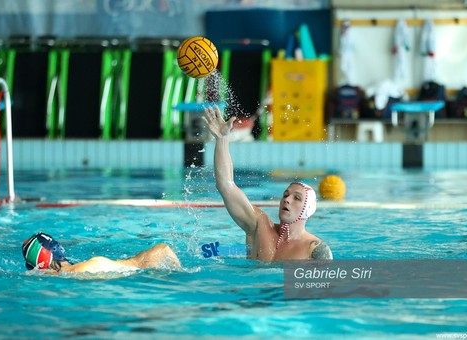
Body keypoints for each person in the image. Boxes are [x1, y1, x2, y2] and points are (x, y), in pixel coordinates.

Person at [202, 105, 333, 261]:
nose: (287, 199)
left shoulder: (315, 250)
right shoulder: (259, 225)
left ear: (307, 210)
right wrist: (222, 140)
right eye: (286, 194)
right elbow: (226, 185)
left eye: (297, 198)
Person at [22, 232, 181, 274]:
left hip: (134, 267)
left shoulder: (52, 274)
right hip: (136, 266)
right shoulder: (84, 267)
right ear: (57, 249)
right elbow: (163, 249)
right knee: (162, 247)